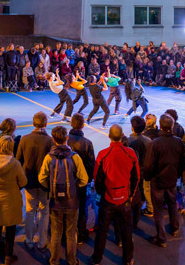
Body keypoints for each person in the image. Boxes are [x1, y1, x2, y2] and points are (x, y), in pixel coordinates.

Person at [39, 126, 89, 265]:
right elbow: (84, 179)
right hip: (72, 201)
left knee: (55, 233)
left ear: (53, 140)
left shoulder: (49, 158)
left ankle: (54, 260)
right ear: (66, 138)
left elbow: (41, 178)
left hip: (55, 202)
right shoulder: (75, 157)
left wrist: (50, 187)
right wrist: (74, 186)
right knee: (71, 233)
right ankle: (72, 260)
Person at [91, 125, 140, 265]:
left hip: (108, 199)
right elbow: (136, 177)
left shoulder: (103, 154)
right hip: (124, 198)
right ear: (122, 135)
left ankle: (97, 259)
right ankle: (128, 259)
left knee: (102, 231)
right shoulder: (130, 153)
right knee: (127, 231)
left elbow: (97, 178)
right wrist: (130, 195)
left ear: (109, 136)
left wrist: (103, 193)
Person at [142, 114, 185, 248]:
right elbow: (184, 161)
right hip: (172, 179)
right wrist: (177, 174)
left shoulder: (155, 143)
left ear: (160, 126)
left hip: (158, 181)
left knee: (159, 209)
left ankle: (161, 237)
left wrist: (148, 177)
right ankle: (174, 227)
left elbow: (149, 165)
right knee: (172, 204)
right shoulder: (178, 141)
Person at [0, 135, 27, 265]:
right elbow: (23, 181)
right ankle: (8, 255)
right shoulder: (15, 164)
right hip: (11, 199)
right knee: (10, 228)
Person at [16, 112, 53, 250]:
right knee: (44, 212)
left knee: (30, 211)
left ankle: (29, 239)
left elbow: (18, 159)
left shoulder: (24, 139)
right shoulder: (50, 141)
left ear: (33, 123)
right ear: (45, 124)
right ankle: (42, 241)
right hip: (44, 183)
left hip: (29, 182)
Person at [67, 114, 96, 244]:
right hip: (81, 181)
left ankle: (66, 234)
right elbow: (91, 164)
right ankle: (81, 234)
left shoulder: (65, 140)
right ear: (83, 125)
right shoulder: (87, 143)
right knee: (82, 208)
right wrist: (88, 180)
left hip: (66, 180)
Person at [127, 116, 152, 221]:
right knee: (145, 189)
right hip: (145, 170)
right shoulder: (148, 140)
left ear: (132, 128)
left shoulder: (129, 141)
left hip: (134, 171)